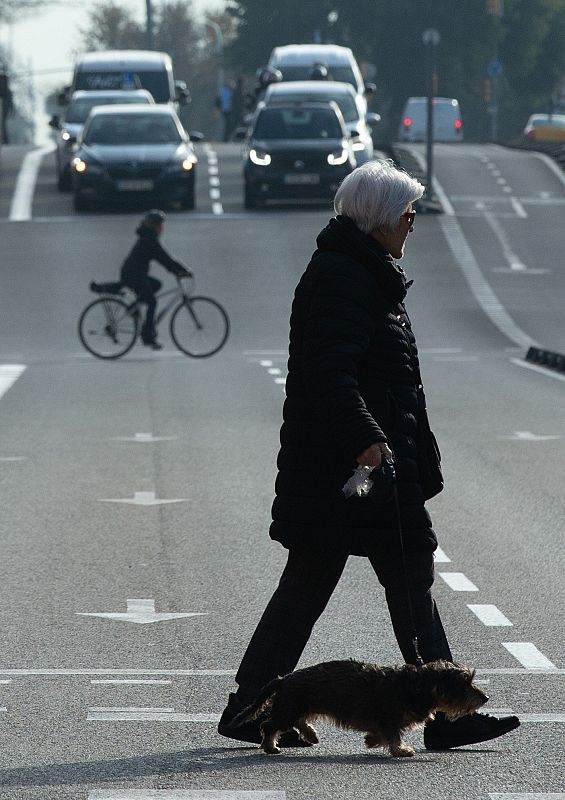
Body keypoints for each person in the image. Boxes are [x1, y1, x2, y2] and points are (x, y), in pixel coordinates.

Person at [218, 160, 520, 751]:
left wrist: (416, 453)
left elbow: (389, 378)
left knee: (400, 584)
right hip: (352, 470)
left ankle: (437, 714)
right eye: (407, 216)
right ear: (379, 219)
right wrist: (367, 438)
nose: (412, 226)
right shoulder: (344, 277)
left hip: (366, 466)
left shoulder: (367, 272)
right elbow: (328, 371)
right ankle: (255, 706)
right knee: (335, 585)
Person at [120, 210, 190, 350]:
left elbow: (164, 259)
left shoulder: (148, 237)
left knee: (156, 285)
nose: (162, 229)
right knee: (152, 301)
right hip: (133, 275)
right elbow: (164, 258)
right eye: (160, 226)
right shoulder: (149, 240)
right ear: (154, 226)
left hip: (134, 274)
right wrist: (181, 270)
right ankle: (148, 335)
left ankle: (134, 307)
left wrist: (177, 270)